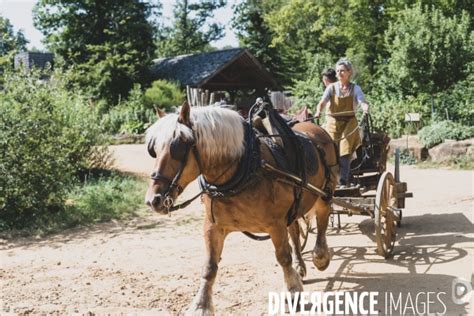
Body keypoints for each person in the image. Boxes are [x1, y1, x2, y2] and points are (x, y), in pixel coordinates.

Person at [315, 58, 369, 188]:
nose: (339, 73)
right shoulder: (331, 88)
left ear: (349, 72)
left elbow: (362, 101)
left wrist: (365, 108)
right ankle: (327, 179)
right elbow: (322, 102)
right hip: (333, 121)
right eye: (338, 71)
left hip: (349, 122)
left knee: (344, 150)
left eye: (342, 71)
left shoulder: (355, 88)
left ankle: (344, 181)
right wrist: (318, 111)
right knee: (329, 147)